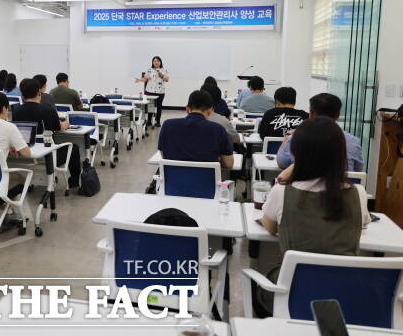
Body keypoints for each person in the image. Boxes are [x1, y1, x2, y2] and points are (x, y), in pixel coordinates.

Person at [257, 117, 369, 315]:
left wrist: (292, 170)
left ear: (297, 152)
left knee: (260, 285)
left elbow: (270, 227)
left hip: (292, 293)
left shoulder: (282, 192)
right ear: (340, 153)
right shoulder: (358, 194)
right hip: (345, 296)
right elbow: (361, 225)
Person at [12, 79, 81, 189]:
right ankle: (74, 182)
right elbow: (59, 128)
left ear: (22, 95)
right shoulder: (48, 110)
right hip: (48, 156)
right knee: (74, 148)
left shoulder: (16, 111)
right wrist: (66, 123)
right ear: (39, 92)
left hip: (26, 154)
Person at [277, 93, 364, 172]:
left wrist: (286, 138)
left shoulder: (296, 138)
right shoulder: (353, 141)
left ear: (311, 114)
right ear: (337, 115)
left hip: (304, 184)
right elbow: (357, 170)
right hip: (341, 185)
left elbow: (282, 163)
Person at [158, 89, 233, 168]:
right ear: (210, 110)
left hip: (174, 175)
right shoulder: (218, 130)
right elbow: (228, 164)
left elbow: (164, 156)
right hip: (205, 176)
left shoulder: (168, 125)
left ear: (187, 109)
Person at [136, 56, 169, 127]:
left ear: (160, 62)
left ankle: (158, 121)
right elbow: (145, 79)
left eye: (158, 61)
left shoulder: (164, 70)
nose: (156, 62)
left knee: (159, 106)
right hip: (150, 91)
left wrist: (161, 75)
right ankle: (149, 121)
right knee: (150, 106)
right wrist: (139, 80)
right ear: (152, 62)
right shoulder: (149, 70)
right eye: (154, 61)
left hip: (160, 92)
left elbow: (167, 79)